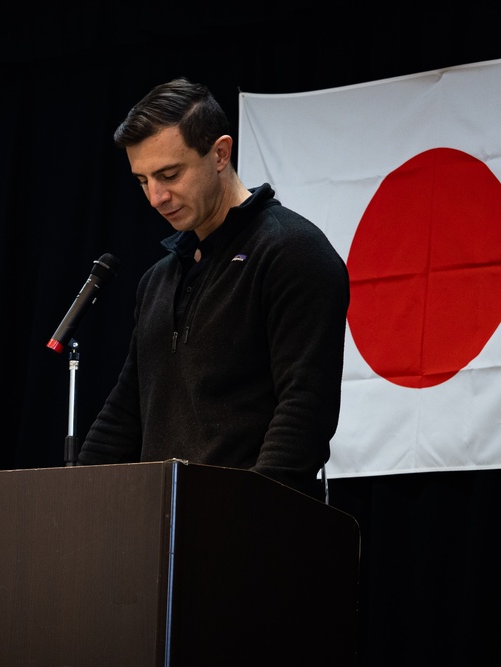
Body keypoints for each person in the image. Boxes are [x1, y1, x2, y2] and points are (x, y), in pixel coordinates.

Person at [76, 77, 349, 501]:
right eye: (143, 180)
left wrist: (247, 520)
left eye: (169, 174)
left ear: (220, 153)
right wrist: (70, 502)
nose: (156, 197)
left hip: (242, 537)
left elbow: (304, 413)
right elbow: (126, 412)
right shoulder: (159, 280)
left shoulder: (292, 252)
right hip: (159, 534)